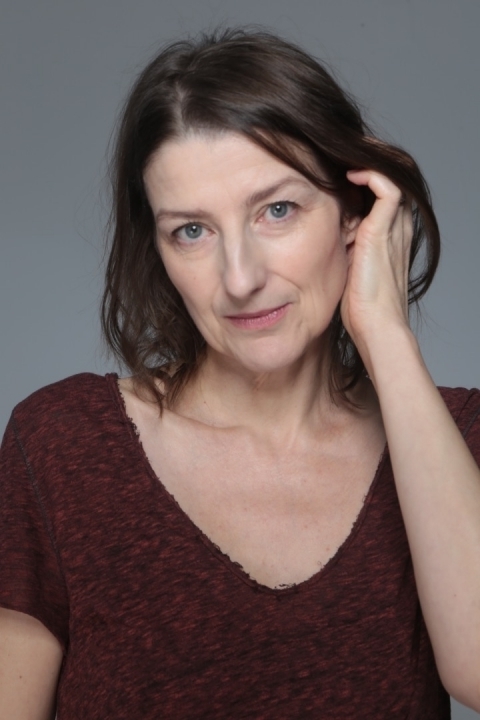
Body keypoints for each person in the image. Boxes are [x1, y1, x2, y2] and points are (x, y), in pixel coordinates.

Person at [1, 28, 479, 720]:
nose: (240, 278)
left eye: (277, 210)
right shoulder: (62, 447)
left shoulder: (453, 440)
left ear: (356, 212)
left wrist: (385, 332)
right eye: (191, 231)